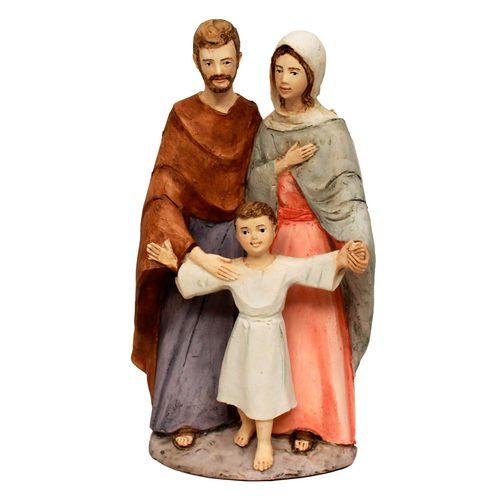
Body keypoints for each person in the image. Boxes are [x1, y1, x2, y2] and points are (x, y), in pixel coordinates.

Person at [146, 201, 369, 471]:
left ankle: (264, 442)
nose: (254, 237)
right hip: (243, 336)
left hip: (269, 339)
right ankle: (246, 423)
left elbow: (311, 267)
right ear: (237, 235)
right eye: (246, 231)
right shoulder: (233, 268)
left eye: (261, 229)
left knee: (264, 389)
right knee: (238, 386)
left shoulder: (283, 267)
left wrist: (341, 258)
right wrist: (175, 263)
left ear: (274, 230)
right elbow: (203, 280)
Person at [132, 19, 261, 449]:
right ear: (196, 62)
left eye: (226, 61)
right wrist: (193, 254)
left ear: (239, 59)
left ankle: (239, 415)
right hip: (192, 241)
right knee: (187, 325)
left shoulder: (249, 115)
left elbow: (260, 177)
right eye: (209, 62)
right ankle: (184, 414)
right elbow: (163, 191)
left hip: (239, 236)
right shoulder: (183, 116)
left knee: (239, 328)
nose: (218, 71)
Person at [246, 31, 375, 452]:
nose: (284, 80)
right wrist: (280, 165)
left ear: (312, 77)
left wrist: (356, 241)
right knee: (275, 332)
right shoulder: (267, 128)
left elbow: (348, 194)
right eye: (279, 70)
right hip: (276, 242)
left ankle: (313, 418)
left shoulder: (331, 129)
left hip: (315, 244)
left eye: (294, 72)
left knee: (312, 331)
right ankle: (272, 417)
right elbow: (252, 190)